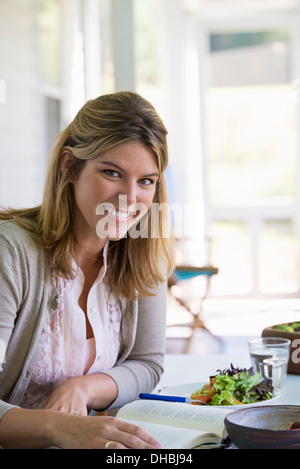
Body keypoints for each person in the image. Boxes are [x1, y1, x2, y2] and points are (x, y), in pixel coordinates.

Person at [0, 91, 175, 449]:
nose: (130, 197)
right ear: (69, 166)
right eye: (112, 173)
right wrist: (57, 427)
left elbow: (147, 363)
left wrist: (81, 388)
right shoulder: (10, 254)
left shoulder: (143, 252)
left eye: (146, 181)